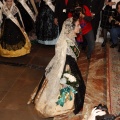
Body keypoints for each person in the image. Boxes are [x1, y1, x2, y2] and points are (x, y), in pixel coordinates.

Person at [27, 16, 86, 118]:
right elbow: (61, 58)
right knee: (66, 87)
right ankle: (61, 106)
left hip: (70, 63)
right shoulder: (65, 42)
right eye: (77, 25)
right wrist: (61, 75)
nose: (80, 27)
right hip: (65, 65)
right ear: (70, 28)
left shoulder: (70, 37)